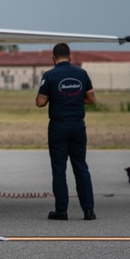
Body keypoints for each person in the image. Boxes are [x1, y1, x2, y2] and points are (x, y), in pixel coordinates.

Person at [36, 43, 96, 221]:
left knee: (59, 169)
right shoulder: (82, 73)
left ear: (53, 58)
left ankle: (61, 211)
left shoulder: (49, 75)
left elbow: (40, 102)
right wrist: (75, 99)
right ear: (70, 57)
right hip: (78, 125)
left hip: (58, 126)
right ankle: (88, 211)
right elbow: (91, 98)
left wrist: (57, 98)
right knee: (81, 167)